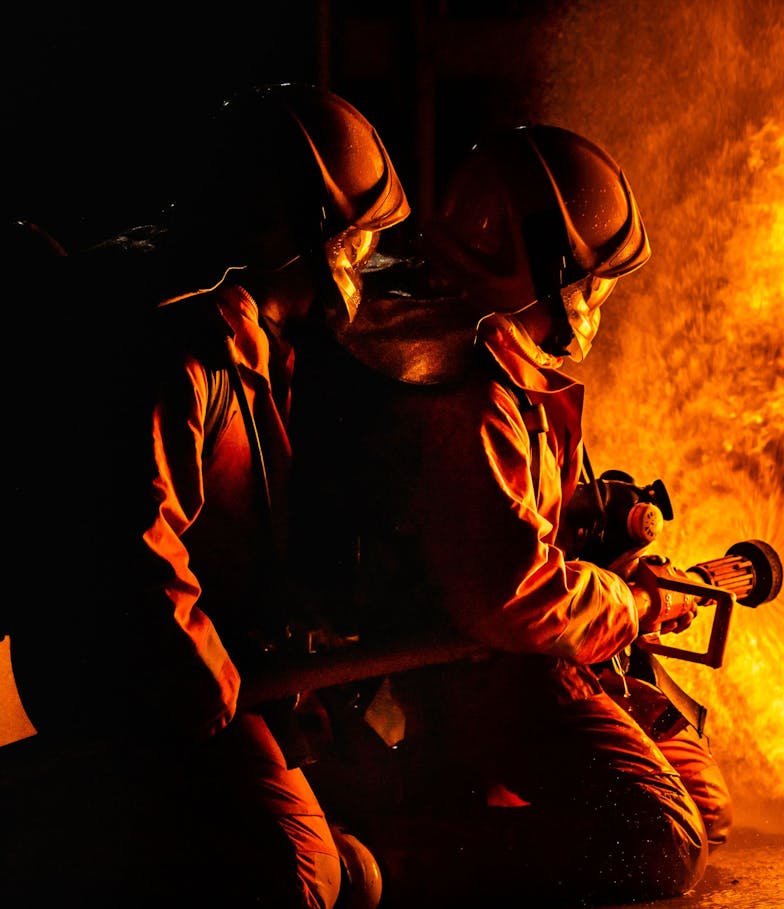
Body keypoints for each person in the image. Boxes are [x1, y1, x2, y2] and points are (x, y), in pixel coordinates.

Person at [289, 124, 732, 906]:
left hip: (520, 654)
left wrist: (608, 547)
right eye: (590, 283)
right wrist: (631, 603)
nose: (597, 302)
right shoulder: (471, 391)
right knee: (658, 841)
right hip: (471, 667)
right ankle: (384, 856)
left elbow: (527, 528)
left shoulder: (497, 361)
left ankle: (464, 810)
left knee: (708, 803)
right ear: (539, 271)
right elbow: (507, 590)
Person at [2, 82, 409, 909]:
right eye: (352, 238)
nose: (360, 261)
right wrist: (204, 673)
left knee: (343, 867)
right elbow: (131, 541)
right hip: (129, 685)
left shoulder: (248, 329)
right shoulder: (175, 345)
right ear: (284, 230)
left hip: (196, 670)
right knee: (295, 881)